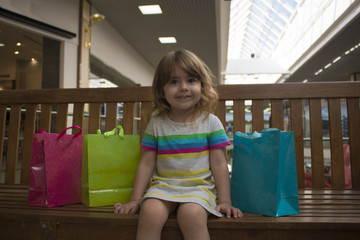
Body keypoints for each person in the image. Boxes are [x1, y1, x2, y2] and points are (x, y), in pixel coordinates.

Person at [114, 49, 242, 240]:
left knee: (190, 215)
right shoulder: (157, 123)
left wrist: (224, 201)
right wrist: (135, 199)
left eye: (191, 80)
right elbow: (146, 163)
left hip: (199, 189)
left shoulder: (210, 122)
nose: (183, 87)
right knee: (150, 212)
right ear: (162, 90)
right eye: (174, 81)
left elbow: (219, 164)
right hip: (163, 187)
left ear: (202, 85)